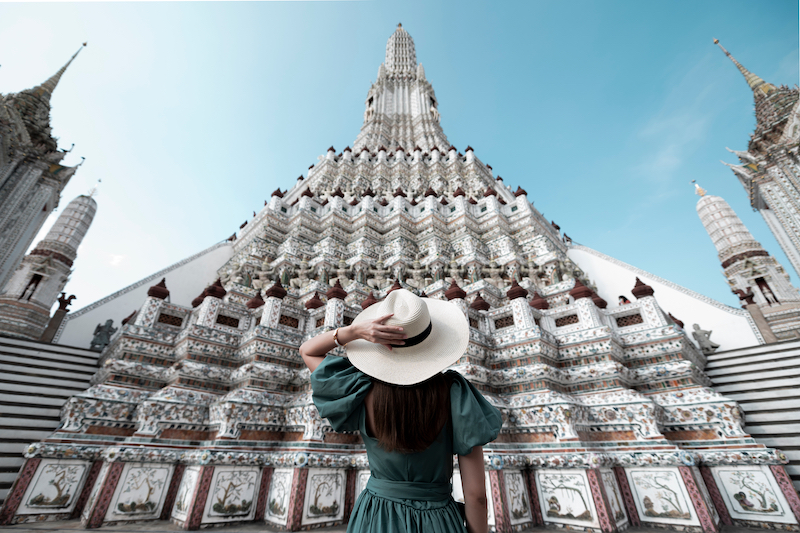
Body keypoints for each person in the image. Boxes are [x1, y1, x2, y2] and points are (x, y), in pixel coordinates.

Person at [300, 289, 502, 533]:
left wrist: (354, 332)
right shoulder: (455, 394)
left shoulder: (359, 389)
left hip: (376, 517)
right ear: (432, 341)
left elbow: (308, 351)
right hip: (437, 520)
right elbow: (476, 495)